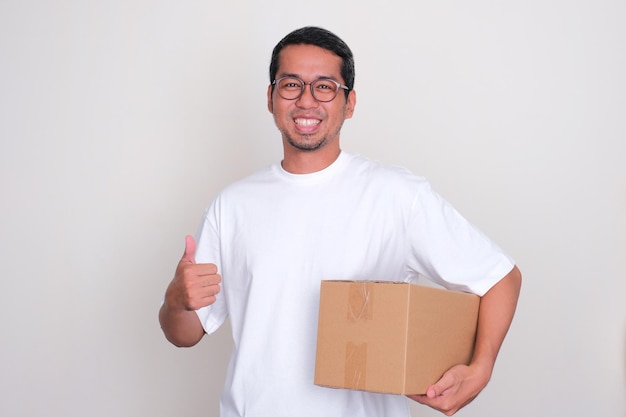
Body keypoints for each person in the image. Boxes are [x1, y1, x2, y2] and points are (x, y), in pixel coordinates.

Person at [159, 26, 522, 417]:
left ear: (349, 103)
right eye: (291, 84)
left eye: (325, 86)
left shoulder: (396, 196)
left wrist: (480, 369)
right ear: (270, 97)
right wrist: (176, 302)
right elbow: (185, 333)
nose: (307, 100)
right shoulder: (231, 207)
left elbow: (502, 278)